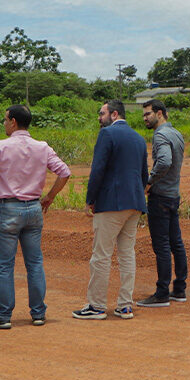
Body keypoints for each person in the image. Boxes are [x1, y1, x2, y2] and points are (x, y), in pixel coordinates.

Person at [0, 104, 72, 329]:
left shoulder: (0, 146)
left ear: (14, 122)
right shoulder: (42, 147)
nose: (4, 123)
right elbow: (64, 172)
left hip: (9, 209)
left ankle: (4, 315)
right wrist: (50, 196)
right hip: (34, 209)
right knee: (35, 263)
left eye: (5, 119)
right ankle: (38, 313)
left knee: (5, 266)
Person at [73, 99, 148, 320]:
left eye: (102, 113)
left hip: (111, 203)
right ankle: (125, 305)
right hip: (134, 203)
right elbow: (144, 174)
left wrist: (90, 199)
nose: (99, 117)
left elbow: (98, 169)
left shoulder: (107, 135)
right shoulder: (139, 138)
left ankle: (96, 306)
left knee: (101, 256)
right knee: (127, 255)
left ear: (114, 114)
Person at [136, 99, 188, 307]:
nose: (145, 118)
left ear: (159, 113)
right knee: (176, 243)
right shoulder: (176, 133)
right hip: (173, 195)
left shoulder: (160, 135)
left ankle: (162, 292)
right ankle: (180, 289)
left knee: (162, 246)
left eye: (147, 114)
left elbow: (164, 161)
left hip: (160, 197)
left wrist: (149, 182)